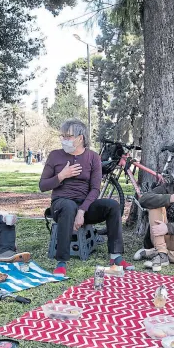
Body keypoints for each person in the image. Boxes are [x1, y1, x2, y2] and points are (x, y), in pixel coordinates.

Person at [39, 119, 132, 277]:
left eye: (68, 136)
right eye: (62, 136)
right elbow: (43, 185)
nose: (64, 139)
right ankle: (61, 262)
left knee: (112, 205)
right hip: (60, 205)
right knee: (68, 206)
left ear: (80, 138)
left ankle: (115, 256)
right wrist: (61, 176)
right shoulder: (55, 156)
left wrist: (82, 210)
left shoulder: (93, 157)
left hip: (85, 205)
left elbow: (95, 189)